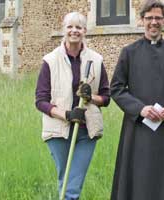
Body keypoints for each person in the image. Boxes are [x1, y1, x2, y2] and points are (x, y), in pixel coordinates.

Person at [109, 0, 164, 199]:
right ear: (142, 20)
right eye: (149, 18)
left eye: (158, 18)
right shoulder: (129, 52)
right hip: (136, 128)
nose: (153, 22)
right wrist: (140, 109)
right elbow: (117, 88)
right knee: (136, 175)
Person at [34, 12, 110, 200]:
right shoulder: (50, 60)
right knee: (65, 179)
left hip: (87, 131)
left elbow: (106, 97)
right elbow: (41, 101)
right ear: (64, 29)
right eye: (70, 26)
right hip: (58, 131)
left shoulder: (96, 60)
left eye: (78, 27)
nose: (74, 30)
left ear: (85, 31)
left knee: (72, 186)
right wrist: (67, 115)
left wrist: (90, 97)